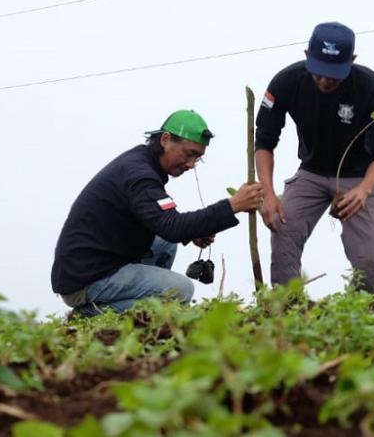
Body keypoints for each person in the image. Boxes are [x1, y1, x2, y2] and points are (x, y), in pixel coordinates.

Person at [51, 109, 263, 316]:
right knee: (181, 289)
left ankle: (152, 305)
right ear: (166, 139)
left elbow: (162, 223)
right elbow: (171, 226)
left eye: (198, 158)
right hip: (87, 277)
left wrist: (192, 232)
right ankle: (94, 311)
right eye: (189, 154)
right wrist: (232, 205)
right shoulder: (139, 175)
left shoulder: (141, 163)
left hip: (96, 262)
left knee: (165, 243)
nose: (191, 164)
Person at [255, 21, 374, 293]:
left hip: (361, 176)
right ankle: (286, 308)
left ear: (351, 61)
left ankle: (371, 313)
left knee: (370, 255)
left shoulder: (373, 88)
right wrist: (269, 194)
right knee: (283, 226)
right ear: (308, 56)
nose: (325, 80)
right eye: (319, 72)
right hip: (312, 173)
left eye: (334, 74)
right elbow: (264, 141)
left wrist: (365, 191)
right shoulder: (286, 82)